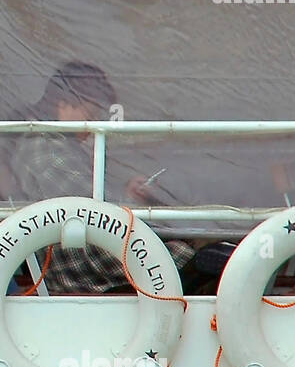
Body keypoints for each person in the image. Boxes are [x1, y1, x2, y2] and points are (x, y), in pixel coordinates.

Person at [13, 62, 197, 294]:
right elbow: (92, 209)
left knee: (175, 244)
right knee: (180, 254)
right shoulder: (46, 149)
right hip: (77, 255)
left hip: (80, 239)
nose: (92, 128)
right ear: (63, 105)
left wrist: (126, 195)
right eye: (91, 115)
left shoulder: (52, 142)